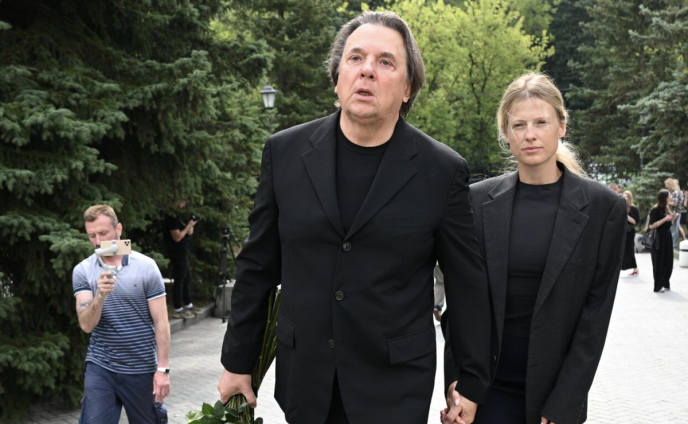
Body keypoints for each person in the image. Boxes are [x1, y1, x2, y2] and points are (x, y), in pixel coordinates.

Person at [217, 11, 491, 424]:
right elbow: (257, 268)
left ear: (408, 88)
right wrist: (237, 362)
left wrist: (466, 380)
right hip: (305, 383)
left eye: (386, 62)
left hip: (396, 388)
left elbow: (466, 285)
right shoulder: (285, 153)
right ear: (337, 77)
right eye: (355, 58)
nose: (367, 70)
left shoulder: (442, 171)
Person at [441, 73, 627, 424]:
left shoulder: (603, 209)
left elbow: (594, 320)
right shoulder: (475, 202)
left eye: (541, 122)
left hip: (553, 397)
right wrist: (457, 386)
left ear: (561, 127)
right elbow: (461, 306)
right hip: (484, 391)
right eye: (519, 125)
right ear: (506, 134)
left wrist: (564, 405)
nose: (530, 134)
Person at [73, 205, 170, 423]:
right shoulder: (83, 270)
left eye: (103, 233)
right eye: (92, 236)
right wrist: (100, 297)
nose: (98, 241)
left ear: (118, 229)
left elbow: (161, 321)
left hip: (141, 368)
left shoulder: (146, 267)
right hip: (101, 366)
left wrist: (163, 369)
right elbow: (86, 325)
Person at [163, 199, 199, 319]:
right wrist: (188, 226)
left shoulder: (177, 216)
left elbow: (186, 232)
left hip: (183, 250)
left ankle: (188, 304)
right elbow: (177, 237)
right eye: (183, 201)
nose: (184, 204)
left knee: (187, 277)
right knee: (179, 278)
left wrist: (190, 228)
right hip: (176, 251)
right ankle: (178, 308)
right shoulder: (171, 217)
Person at [648, 189, 676, 292]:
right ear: (664, 198)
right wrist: (665, 219)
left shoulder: (666, 208)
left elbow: (668, 225)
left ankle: (665, 282)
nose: (671, 197)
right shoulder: (655, 210)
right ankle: (658, 285)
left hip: (667, 237)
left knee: (668, 261)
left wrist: (672, 218)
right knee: (659, 261)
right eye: (669, 196)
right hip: (658, 238)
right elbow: (651, 226)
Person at [621, 190, 640, 275]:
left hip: (629, 232)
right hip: (622, 231)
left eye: (627, 196)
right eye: (624, 196)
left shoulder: (634, 208)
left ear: (630, 198)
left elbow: (635, 221)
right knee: (621, 250)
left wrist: (626, 215)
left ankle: (635, 268)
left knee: (629, 250)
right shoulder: (621, 206)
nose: (625, 198)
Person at [665, 178, 682, 249]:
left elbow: (675, 203)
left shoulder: (675, 192)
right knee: (671, 229)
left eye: (667, 185)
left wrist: (666, 202)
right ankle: (671, 244)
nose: (666, 186)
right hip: (670, 213)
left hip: (675, 213)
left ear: (670, 184)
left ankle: (674, 246)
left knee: (674, 229)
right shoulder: (670, 192)